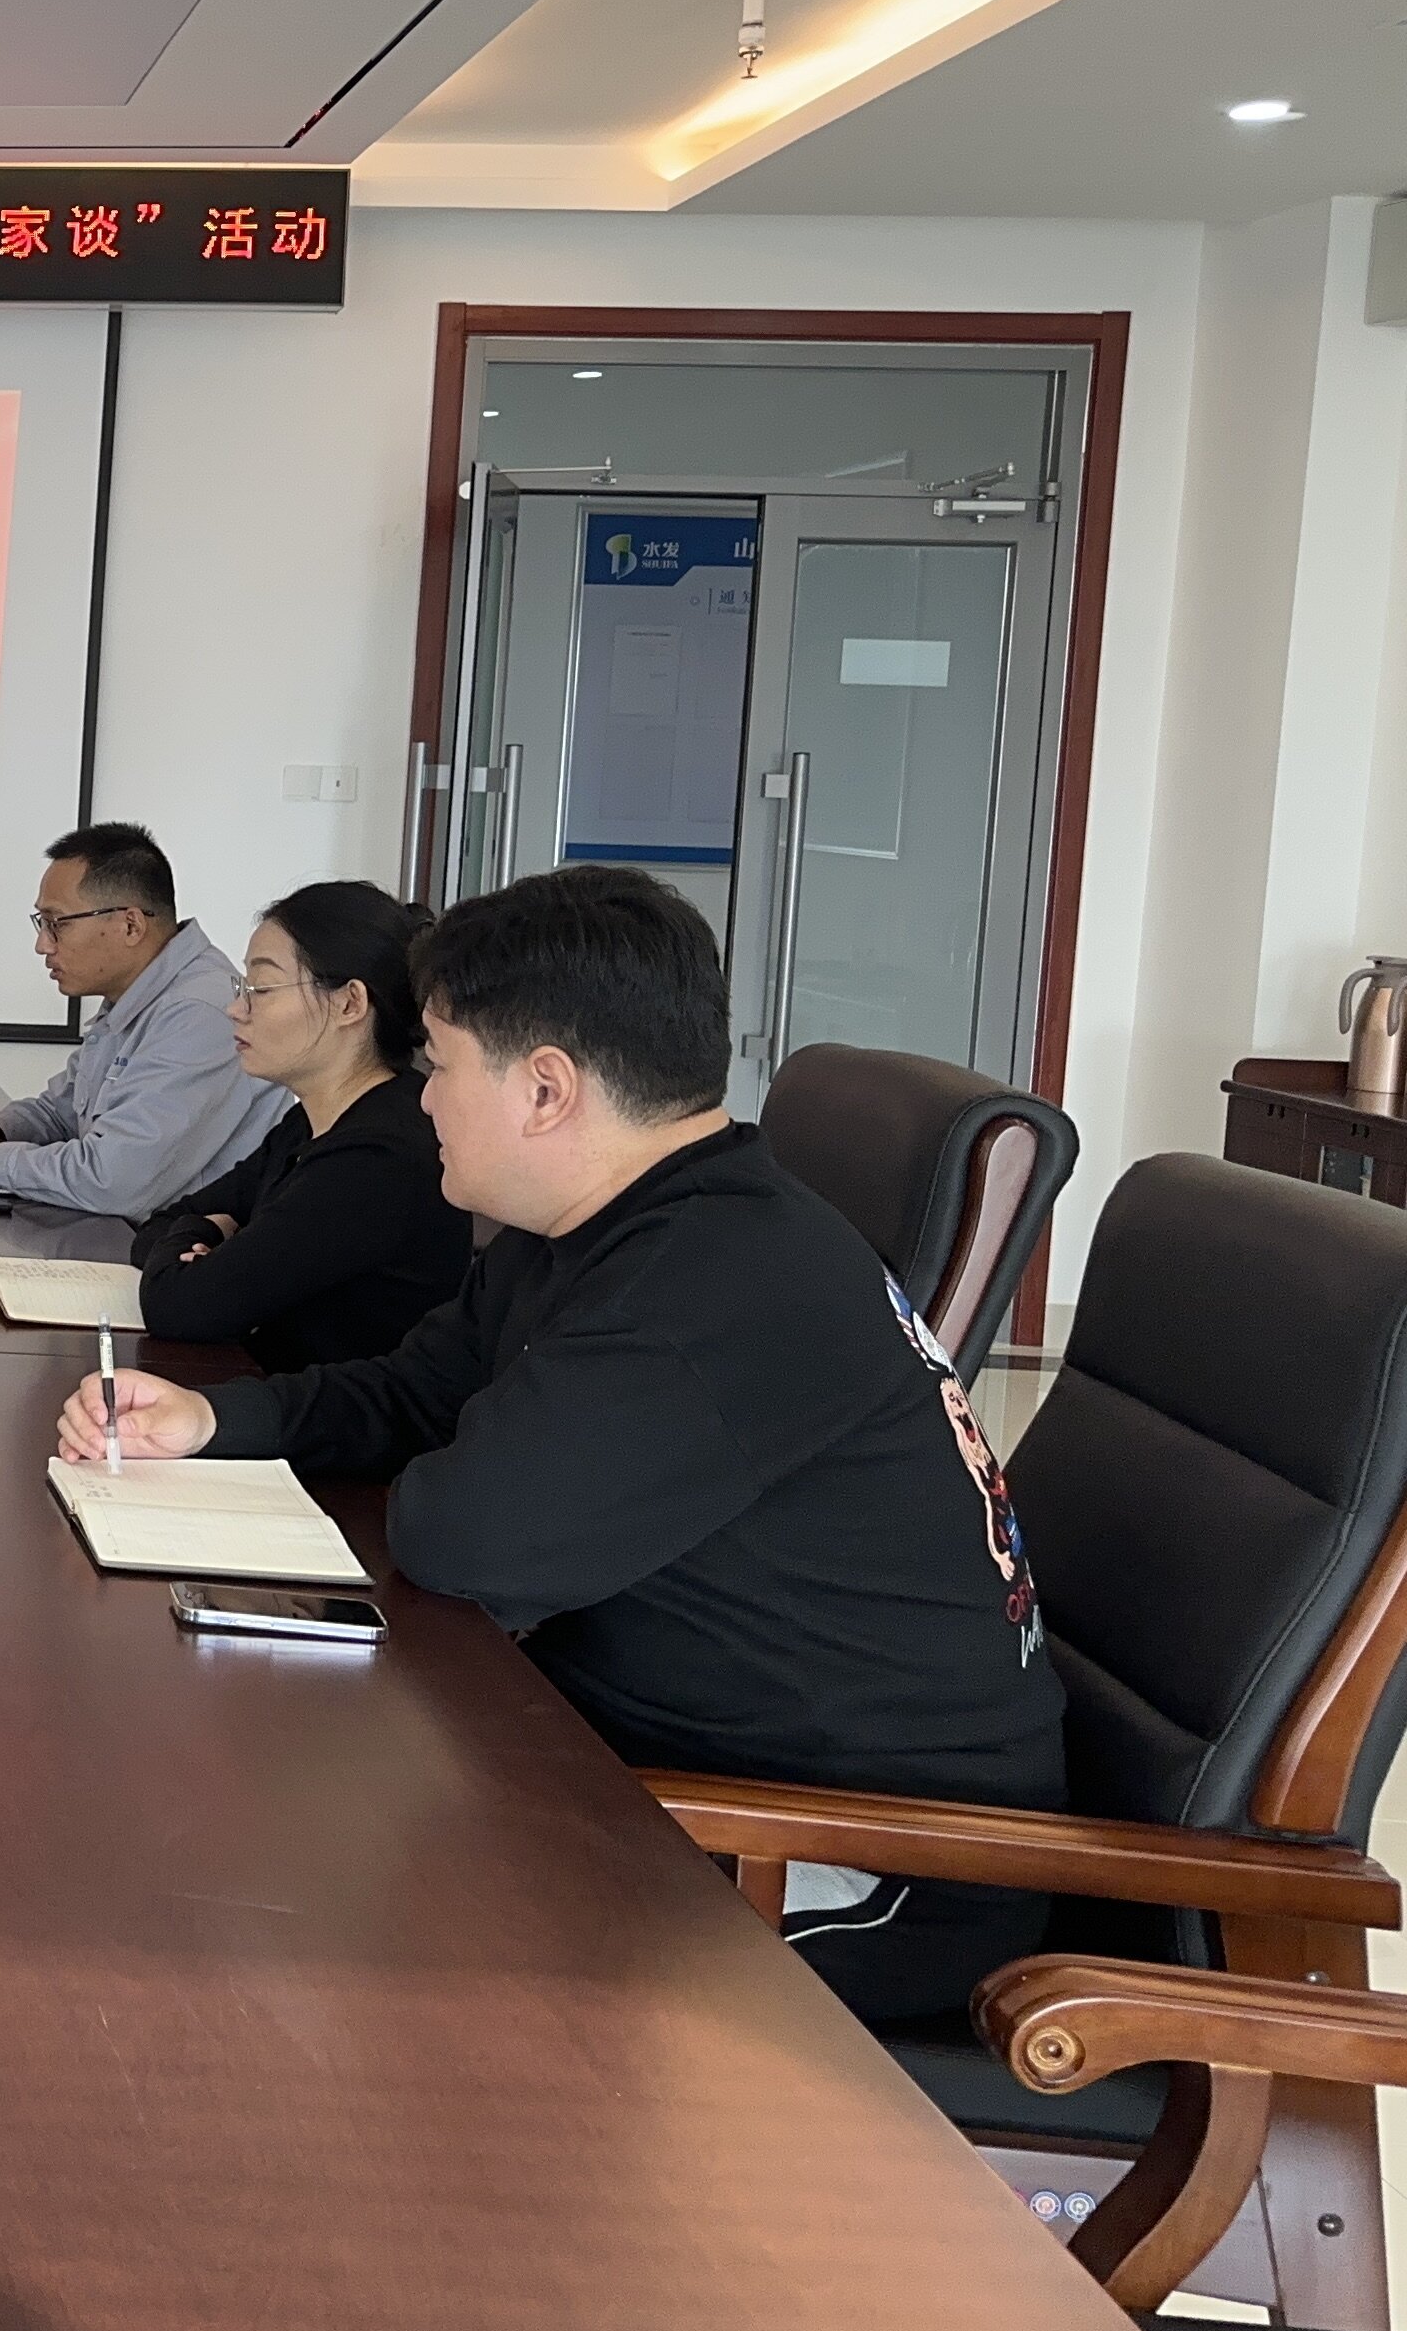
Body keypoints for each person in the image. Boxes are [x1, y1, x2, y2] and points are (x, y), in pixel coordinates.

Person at [58, 864, 1062, 2023]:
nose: (421, 1100)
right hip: (645, 1757)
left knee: (302, 1935)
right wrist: (214, 1422)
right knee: (238, 1827)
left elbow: (466, 1535)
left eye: (439, 1067)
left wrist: (464, 1447)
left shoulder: (718, 1278)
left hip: (864, 1858)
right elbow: (418, 1390)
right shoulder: (594, 1222)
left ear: (545, 1090)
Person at [131, 881, 472, 1371]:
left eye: (262, 989)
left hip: (329, 1415)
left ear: (349, 1004)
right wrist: (207, 1229)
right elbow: (160, 1226)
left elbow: (179, 1307)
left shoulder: (377, 1157)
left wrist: (214, 1236)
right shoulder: (311, 1121)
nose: (236, 1009)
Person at [0, 822, 281, 1221]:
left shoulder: (200, 1012)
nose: (42, 945)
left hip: (177, 1247)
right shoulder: (136, 993)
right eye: (42, 924)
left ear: (130, 925)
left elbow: (114, 1180)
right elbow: (62, 1113)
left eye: (57, 923)